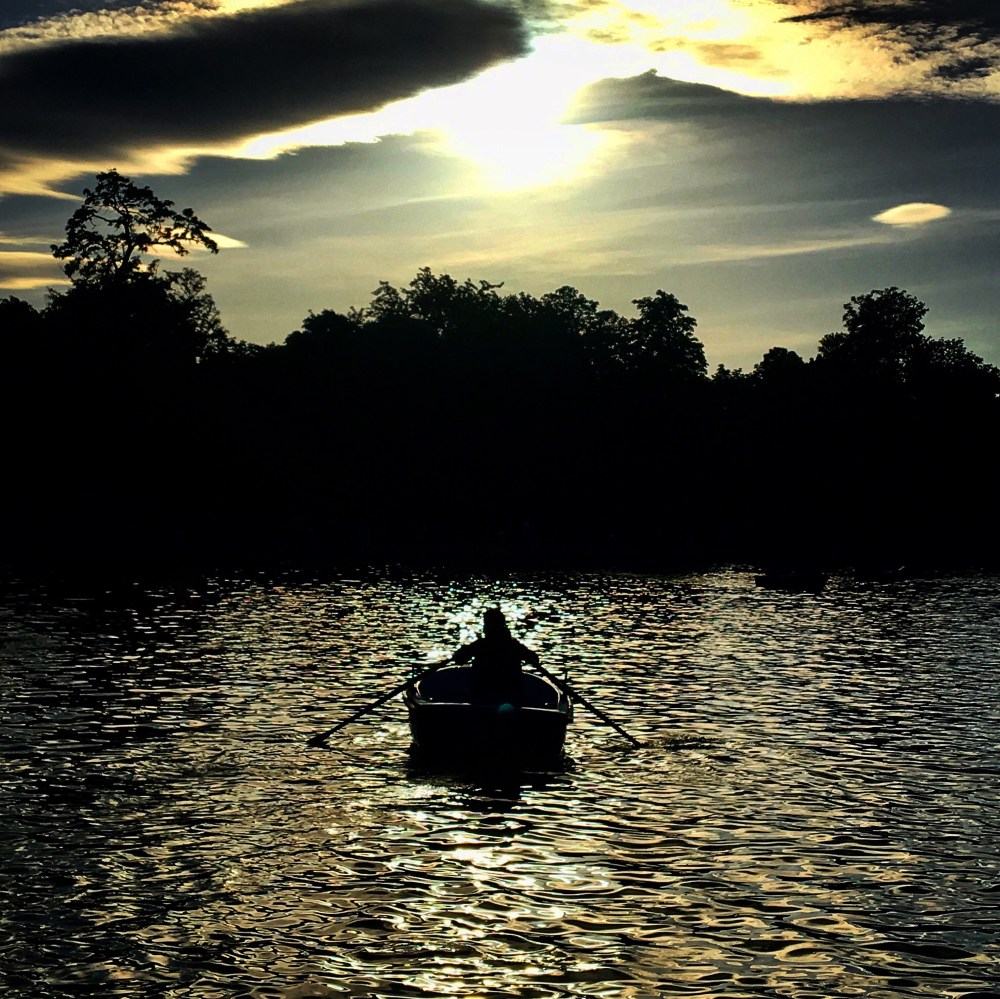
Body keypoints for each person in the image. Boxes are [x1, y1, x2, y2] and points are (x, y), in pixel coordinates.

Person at [454, 608, 539, 703]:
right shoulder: (514, 646)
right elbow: (535, 660)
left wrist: (465, 649)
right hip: (511, 697)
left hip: (483, 697)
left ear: (486, 626)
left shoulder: (480, 645)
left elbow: (458, 659)